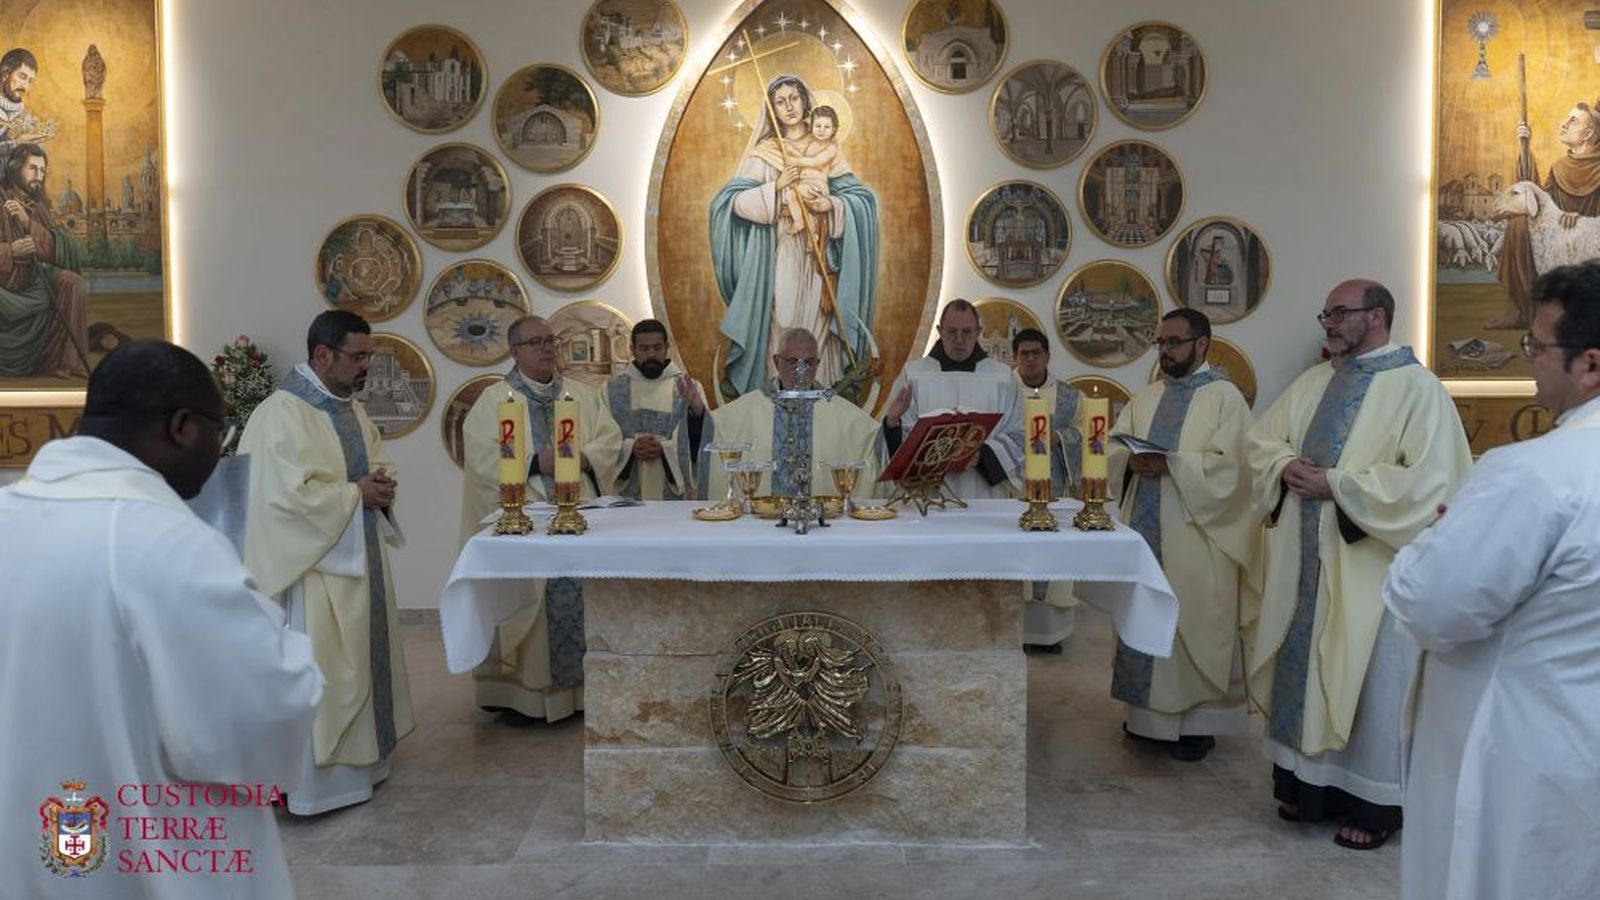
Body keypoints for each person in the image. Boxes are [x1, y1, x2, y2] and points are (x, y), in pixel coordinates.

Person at [0, 341, 322, 898]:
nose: (217, 454)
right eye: (218, 434)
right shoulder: (168, 543)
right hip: (158, 853)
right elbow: (263, 709)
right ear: (181, 427)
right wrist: (286, 646)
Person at [1384, 261, 1600, 899]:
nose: (1527, 358)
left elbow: (1428, 604)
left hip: (1518, 751)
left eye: (1536, 345)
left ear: (1590, 364)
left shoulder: (1531, 473)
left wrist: (1435, 534)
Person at [1244, 279, 1472, 849]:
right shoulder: (1316, 380)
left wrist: (1339, 487)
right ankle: (1307, 788)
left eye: (1338, 313)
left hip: (1370, 569)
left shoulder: (1418, 389)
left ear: (1376, 316)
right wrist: (1286, 467)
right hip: (1305, 560)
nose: (1327, 322)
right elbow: (1261, 441)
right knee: (1311, 672)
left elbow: (1433, 482)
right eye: (1326, 313)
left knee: (1371, 682)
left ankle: (1375, 806)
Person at [238, 310, 414, 816]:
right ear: (322, 355)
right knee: (327, 666)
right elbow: (276, 499)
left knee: (360, 657)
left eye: (369, 356)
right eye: (359, 356)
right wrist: (353, 493)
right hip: (311, 574)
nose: (367, 367)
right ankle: (317, 782)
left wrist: (379, 484)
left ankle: (365, 764)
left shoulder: (349, 409)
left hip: (357, 555)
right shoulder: (280, 413)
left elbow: (374, 461)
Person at [1107, 309, 1256, 761]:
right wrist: (1128, 461)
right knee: (1145, 613)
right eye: (1161, 343)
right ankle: (1145, 719)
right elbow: (1115, 444)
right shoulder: (1148, 396)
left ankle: (1197, 725)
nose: (1165, 352)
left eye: (1174, 343)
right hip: (1145, 530)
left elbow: (1233, 470)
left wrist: (1173, 464)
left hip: (1197, 535)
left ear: (1201, 344)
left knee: (1192, 623)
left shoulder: (1225, 398)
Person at [458, 314, 623, 721]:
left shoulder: (583, 395)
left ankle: (583, 694)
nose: (548, 348)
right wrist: (534, 461)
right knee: (528, 606)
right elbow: (479, 459)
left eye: (551, 340)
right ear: (514, 351)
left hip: (576, 516)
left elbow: (610, 440)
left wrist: (582, 458)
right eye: (536, 342)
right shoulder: (493, 401)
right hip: (528, 519)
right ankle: (524, 697)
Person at [710, 73, 879, 396]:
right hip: (785, 247)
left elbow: (861, 199)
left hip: (821, 251)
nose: (788, 106)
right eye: (780, 101)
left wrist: (832, 204)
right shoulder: (768, 152)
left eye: (794, 98)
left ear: (805, 101)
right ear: (772, 109)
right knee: (786, 317)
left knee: (819, 325)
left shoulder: (826, 147)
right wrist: (777, 189)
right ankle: (778, 397)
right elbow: (733, 201)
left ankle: (822, 400)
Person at [699, 326, 883, 502]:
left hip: (821, 525)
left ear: (818, 364)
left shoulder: (840, 412)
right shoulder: (746, 409)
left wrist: (892, 422)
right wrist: (697, 413)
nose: (800, 370)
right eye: (793, 361)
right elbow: (717, 427)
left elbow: (868, 437)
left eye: (808, 363)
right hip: (760, 525)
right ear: (776, 362)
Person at [883, 299, 1024, 500]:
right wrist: (892, 423)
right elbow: (901, 435)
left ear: (978, 332)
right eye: (951, 332)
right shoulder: (913, 375)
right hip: (928, 497)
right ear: (940, 331)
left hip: (985, 497)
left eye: (967, 332)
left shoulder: (1002, 377)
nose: (959, 339)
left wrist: (983, 455)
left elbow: (1018, 433)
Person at [1494, 100, 1600, 329]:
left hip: (1590, 236)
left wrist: (1581, 218)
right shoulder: (1559, 167)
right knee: (1519, 225)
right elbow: (1539, 202)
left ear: (1588, 133)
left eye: (1573, 121)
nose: (1563, 124)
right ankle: (1526, 309)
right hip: (1558, 236)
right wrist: (1526, 149)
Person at [1009, 327, 1083, 649]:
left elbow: (1086, 434)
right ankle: (1012, 631)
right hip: (1012, 491)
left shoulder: (1070, 397)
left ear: (1048, 356)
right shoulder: (1002, 392)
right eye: (1023, 354)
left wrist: (1062, 438)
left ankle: (1050, 636)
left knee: (1052, 559)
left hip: (1054, 491)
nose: (1030, 359)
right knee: (1015, 559)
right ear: (1014, 357)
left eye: (1036, 353)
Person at [0, 142, 88, 378]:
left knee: (72, 282)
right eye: (32, 168)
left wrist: (29, 223)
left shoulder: (37, 206)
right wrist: (11, 250)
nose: (38, 175)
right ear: (16, 168)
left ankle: (66, 363)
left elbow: (59, 246)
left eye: (42, 170)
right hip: (5, 287)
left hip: (32, 279)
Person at [605, 318, 707, 500]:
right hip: (626, 495)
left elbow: (703, 440)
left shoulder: (688, 387)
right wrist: (630, 448)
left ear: (667, 347)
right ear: (632, 350)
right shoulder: (611, 389)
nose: (651, 354)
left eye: (657, 347)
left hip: (674, 496)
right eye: (644, 348)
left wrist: (697, 412)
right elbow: (603, 440)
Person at [782, 106, 841, 236]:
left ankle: (799, 222)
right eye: (818, 126)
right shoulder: (811, 144)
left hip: (817, 186)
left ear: (834, 130)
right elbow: (802, 157)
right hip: (805, 183)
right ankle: (812, 234)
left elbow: (815, 162)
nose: (821, 130)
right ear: (811, 127)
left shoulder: (831, 148)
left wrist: (793, 160)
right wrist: (789, 148)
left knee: (793, 194)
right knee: (801, 206)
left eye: (826, 127)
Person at [0, 48, 50, 160]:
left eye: (30, 81)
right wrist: (15, 145)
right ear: (5, 75)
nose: (25, 86)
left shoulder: (27, 120)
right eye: (22, 77)